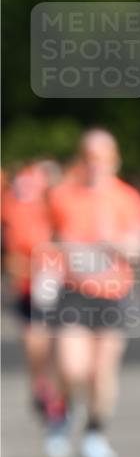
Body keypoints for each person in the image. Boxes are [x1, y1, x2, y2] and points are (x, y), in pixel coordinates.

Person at [44, 129, 140, 457]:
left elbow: (139, 250)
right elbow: (52, 240)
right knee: (71, 368)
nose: (95, 164)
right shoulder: (63, 195)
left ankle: (95, 433)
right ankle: (63, 415)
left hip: (114, 293)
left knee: (101, 372)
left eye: (102, 157)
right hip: (74, 292)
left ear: (115, 160)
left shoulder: (126, 197)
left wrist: (114, 245)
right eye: (89, 157)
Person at [2, 159, 65, 423]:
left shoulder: (66, 207)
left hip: (64, 285)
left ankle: (58, 393)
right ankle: (41, 387)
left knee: (61, 343)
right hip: (30, 286)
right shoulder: (20, 209)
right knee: (35, 340)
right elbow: (11, 253)